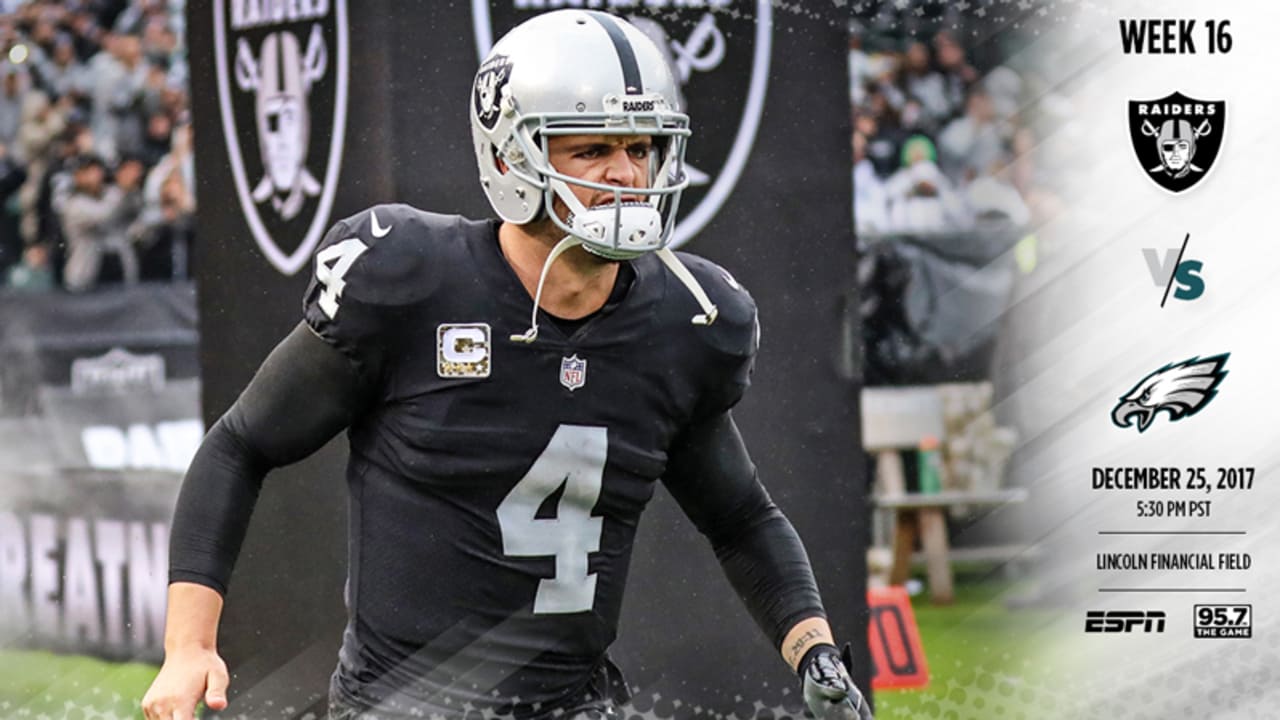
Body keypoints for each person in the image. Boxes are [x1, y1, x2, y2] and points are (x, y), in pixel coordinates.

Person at [142, 11, 872, 720]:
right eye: (591, 150)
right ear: (508, 155)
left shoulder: (689, 321)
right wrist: (188, 646)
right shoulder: (409, 278)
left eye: (642, 147)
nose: (626, 173)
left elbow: (741, 517)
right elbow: (241, 444)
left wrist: (812, 649)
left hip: (576, 704)